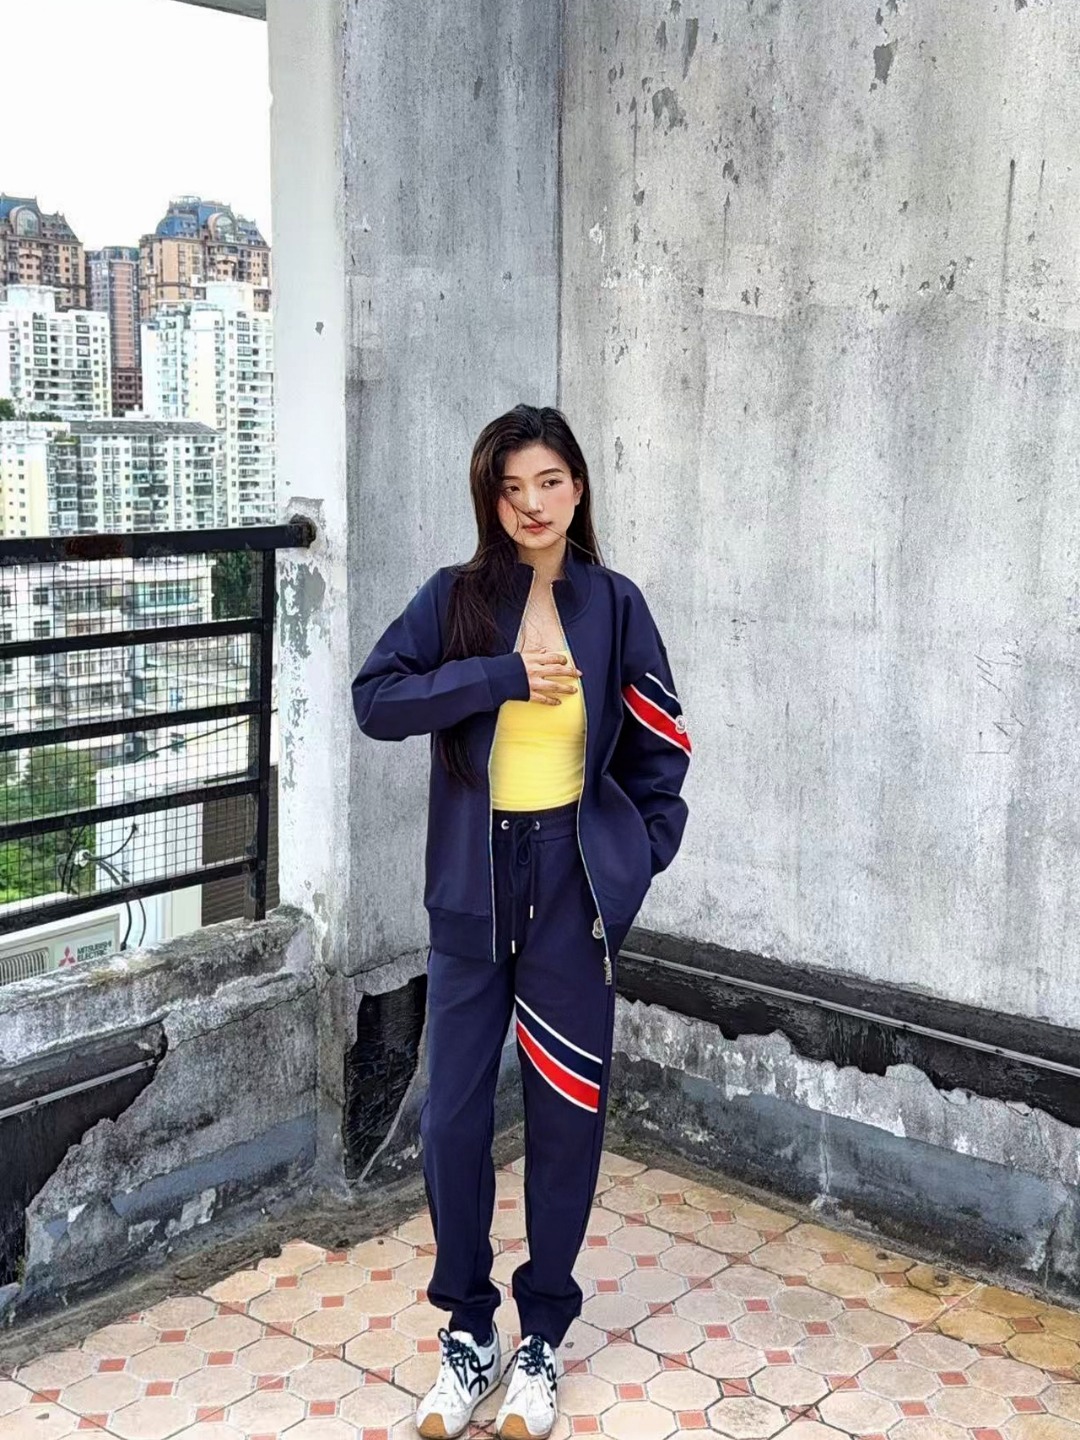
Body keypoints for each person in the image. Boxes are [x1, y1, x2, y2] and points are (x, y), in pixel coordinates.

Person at [351, 404, 691, 1440]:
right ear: (489, 499)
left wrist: (634, 860)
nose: (531, 505)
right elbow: (377, 700)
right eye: (511, 488)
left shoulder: (615, 606)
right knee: (451, 1120)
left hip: (570, 891)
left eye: (549, 482)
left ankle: (542, 1332)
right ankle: (470, 1330)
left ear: (578, 487)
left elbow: (662, 751)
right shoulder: (455, 598)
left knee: (565, 1116)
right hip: (472, 885)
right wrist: (500, 677)